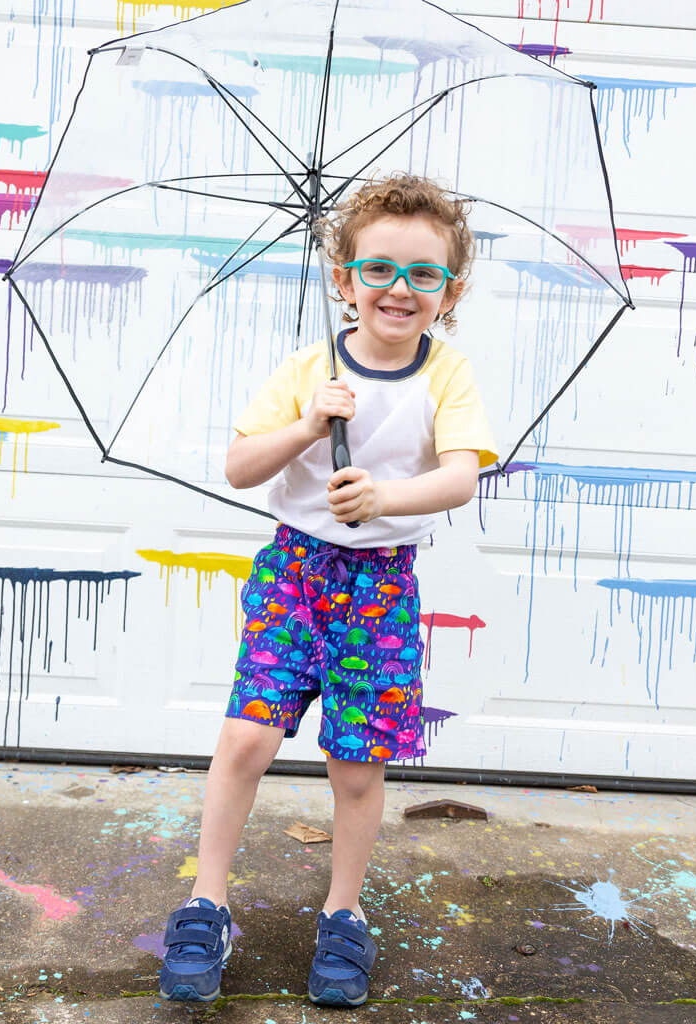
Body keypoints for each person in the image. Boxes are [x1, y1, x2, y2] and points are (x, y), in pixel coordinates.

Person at [158, 173, 499, 1006]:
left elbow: (458, 478)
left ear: (449, 292)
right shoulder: (308, 369)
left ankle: (342, 915)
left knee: (356, 764)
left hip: (380, 587)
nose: (399, 289)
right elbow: (241, 467)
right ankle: (207, 902)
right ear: (343, 277)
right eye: (379, 269)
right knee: (247, 740)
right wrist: (309, 424)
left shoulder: (446, 376)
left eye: (425, 274)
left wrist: (383, 497)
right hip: (294, 574)